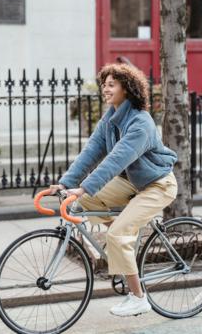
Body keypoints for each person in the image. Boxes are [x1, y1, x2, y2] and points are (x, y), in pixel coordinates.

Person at [50, 63, 178, 317]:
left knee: (116, 235)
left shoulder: (140, 123)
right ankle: (124, 249)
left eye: (111, 85)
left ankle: (138, 298)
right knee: (86, 202)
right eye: (104, 84)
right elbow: (91, 153)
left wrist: (84, 187)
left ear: (126, 89)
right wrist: (66, 184)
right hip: (132, 182)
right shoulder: (109, 119)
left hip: (157, 184)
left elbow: (115, 160)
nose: (105, 89)